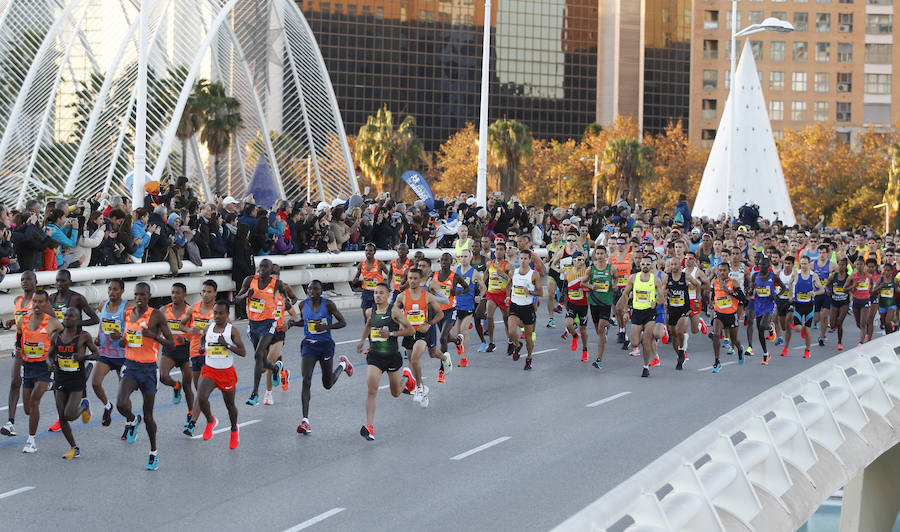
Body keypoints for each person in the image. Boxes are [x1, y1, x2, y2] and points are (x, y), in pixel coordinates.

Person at [116, 282, 176, 471]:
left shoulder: (156, 315)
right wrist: (122, 340)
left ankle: (153, 453)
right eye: (136, 294)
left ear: (149, 296)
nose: (139, 298)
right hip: (131, 366)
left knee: (149, 415)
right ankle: (133, 420)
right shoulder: (128, 313)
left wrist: (153, 336)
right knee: (121, 403)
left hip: (149, 369)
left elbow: (171, 343)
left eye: (143, 295)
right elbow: (127, 338)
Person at [183, 301, 246, 449]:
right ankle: (210, 420)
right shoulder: (208, 327)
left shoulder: (232, 331)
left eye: (221, 313)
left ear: (227, 314)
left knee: (230, 406)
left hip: (226, 372)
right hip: (210, 369)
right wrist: (201, 347)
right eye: (215, 313)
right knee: (202, 397)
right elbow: (204, 339)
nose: (217, 316)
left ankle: (234, 429)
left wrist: (227, 345)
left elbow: (243, 352)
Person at [357, 282, 416, 441]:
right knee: (372, 389)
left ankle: (406, 378)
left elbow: (410, 330)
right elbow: (369, 325)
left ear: (388, 295)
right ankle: (369, 426)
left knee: (396, 393)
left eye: (381, 293)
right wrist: (362, 340)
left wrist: (391, 334)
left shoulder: (394, 312)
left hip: (391, 356)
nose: (377, 295)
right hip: (375, 356)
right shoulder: (370, 311)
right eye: (376, 292)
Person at [292, 280, 352, 434]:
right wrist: (292, 323)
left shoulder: (328, 305)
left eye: (316, 289)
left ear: (321, 291)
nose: (312, 291)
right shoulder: (302, 305)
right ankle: (305, 420)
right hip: (309, 346)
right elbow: (304, 322)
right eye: (310, 289)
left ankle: (343, 365)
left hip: (325, 346)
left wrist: (327, 327)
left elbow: (343, 322)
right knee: (306, 379)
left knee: (328, 384)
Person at [235, 258, 295, 405]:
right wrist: (245, 296)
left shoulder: (278, 284)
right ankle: (275, 369)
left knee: (258, 355)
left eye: (266, 267)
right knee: (261, 363)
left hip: (270, 324)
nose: (262, 269)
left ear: (271, 270)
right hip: (254, 325)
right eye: (261, 266)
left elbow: (289, 298)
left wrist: (288, 302)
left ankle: (255, 394)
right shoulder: (249, 280)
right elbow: (237, 299)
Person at [49, 307, 99, 459]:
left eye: (71, 316)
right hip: (60, 379)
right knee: (62, 417)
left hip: (77, 380)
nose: (67, 318)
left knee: (70, 415)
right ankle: (73, 447)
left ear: (77, 319)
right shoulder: (56, 336)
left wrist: (83, 358)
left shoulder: (84, 336)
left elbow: (96, 354)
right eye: (65, 316)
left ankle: (84, 406)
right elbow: (49, 356)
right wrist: (50, 363)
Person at [18, 290, 63, 453]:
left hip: (43, 367)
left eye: (40, 302)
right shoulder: (23, 320)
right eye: (34, 302)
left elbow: (65, 338)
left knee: (35, 401)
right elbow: (19, 337)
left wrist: (55, 356)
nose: (36, 305)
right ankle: (50, 386)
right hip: (27, 366)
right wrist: (18, 349)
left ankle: (31, 440)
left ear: (46, 304)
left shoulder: (52, 322)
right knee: (27, 409)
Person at [393, 268, 444, 407]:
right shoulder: (402, 296)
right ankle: (423, 391)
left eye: (416, 278)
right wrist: (400, 323)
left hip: (422, 333)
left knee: (415, 360)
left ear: (420, 280)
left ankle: (420, 387)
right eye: (410, 278)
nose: (413, 281)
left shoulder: (427, 295)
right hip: (409, 333)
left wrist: (429, 324)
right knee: (412, 362)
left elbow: (440, 314)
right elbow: (394, 313)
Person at [617, 256, 665, 377]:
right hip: (637, 312)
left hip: (649, 312)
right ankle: (642, 336)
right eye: (643, 263)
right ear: (640, 265)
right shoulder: (633, 278)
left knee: (646, 341)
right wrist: (626, 311)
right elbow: (625, 294)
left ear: (651, 265)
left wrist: (657, 301)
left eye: (647, 264)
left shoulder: (655, 280)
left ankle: (645, 366)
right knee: (634, 343)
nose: (645, 266)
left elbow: (662, 298)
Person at [1, 270, 36, 437]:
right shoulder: (18, 300)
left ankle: (52, 383)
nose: (24, 282)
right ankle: (11, 422)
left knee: (36, 385)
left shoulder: (40, 301)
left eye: (28, 279)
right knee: (16, 381)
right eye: (22, 279)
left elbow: (51, 320)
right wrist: (12, 322)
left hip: (37, 348)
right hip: (20, 347)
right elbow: (20, 319)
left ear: (36, 282)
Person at [92, 279, 128, 431]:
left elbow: (132, 330)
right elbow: (102, 324)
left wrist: (121, 337)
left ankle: (130, 421)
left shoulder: (126, 308)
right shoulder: (103, 305)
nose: (112, 292)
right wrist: (98, 337)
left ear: (122, 291)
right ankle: (107, 405)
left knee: (123, 395)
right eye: (110, 289)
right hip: (106, 353)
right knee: (95, 383)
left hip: (122, 355)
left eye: (115, 289)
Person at [157, 283, 194, 424]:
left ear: (185, 295)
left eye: (178, 293)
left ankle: (190, 414)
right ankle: (175, 385)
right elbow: (157, 330)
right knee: (163, 376)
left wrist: (185, 339)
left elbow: (195, 333)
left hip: (186, 351)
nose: (174, 295)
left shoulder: (190, 311)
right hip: (170, 350)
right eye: (173, 292)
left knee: (188, 386)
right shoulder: (164, 310)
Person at [181, 279, 218, 413]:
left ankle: (192, 421)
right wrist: (190, 331)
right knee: (199, 390)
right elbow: (181, 325)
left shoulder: (218, 310)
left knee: (202, 390)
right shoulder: (193, 308)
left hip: (210, 354)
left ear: (215, 293)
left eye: (209, 292)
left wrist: (212, 330)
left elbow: (229, 329)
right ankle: (210, 418)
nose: (205, 294)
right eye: (203, 291)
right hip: (195, 352)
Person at [431, 252, 468, 381]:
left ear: (451, 262)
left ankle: (442, 369)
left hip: (450, 310)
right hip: (438, 311)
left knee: (442, 338)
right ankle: (457, 341)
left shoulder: (455, 276)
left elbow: (467, 288)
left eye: (447, 260)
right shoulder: (434, 275)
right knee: (446, 338)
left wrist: (457, 292)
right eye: (442, 260)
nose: (444, 262)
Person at [263, 264, 295, 405]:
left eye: (276, 273)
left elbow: (293, 304)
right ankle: (283, 372)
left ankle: (268, 394)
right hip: (263, 331)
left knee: (268, 362)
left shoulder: (284, 287)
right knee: (274, 360)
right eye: (271, 273)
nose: (274, 275)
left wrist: (287, 321)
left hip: (278, 332)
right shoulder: (261, 290)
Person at [709, 262, 749, 373]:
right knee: (716, 334)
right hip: (719, 313)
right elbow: (713, 295)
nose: (722, 272)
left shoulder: (733, 282)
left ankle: (740, 349)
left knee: (734, 339)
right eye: (720, 270)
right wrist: (711, 303)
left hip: (731, 314)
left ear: (728, 271)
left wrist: (729, 291)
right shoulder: (715, 282)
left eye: (724, 270)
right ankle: (717, 361)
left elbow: (742, 298)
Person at [507, 249, 543, 370]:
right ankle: (518, 345)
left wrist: (530, 292)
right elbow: (508, 285)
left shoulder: (534, 275)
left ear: (529, 260)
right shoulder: (513, 272)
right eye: (521, 258)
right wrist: (507, 297)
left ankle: (529, 357)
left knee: (528, 338)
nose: (522, 261)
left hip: (527, 308)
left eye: (525, 259)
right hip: (515, 306)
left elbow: (541, 292)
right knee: (511, 332)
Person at [783, 255, 825, 359]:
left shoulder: (813, 275)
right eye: (801, 263)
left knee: (808, 330)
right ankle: (801, 328)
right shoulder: (796, 273)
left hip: (809, 306)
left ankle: (807, 350)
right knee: (798, 328)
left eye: (805, 263)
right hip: (798, 305)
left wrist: (815, 293)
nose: (803, 266)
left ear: (809, 264)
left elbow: (822, 289)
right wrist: (791, 295)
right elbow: (790, 283)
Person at [450, 248, 484, 368]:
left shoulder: (474, 273)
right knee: (454, 335)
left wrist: (480, 296)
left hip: (468, 306)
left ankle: (464, 359)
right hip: (456, 306)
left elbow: (483, 288)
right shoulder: (455, 270)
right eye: (461, 257)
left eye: (465, 256)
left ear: (470, 258)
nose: (463, 259)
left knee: (464, 331)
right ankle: (460, 342)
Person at [748, 256, 785, 365]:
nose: (761, 266)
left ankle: (771, 327)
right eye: (759, 264)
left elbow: (784, 288)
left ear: (768, 266)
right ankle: (765, 353)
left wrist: (776, 296)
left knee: (764, 325)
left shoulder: (773, 277)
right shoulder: (755, 276)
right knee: (759, 330)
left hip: (769, 304)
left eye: (763, 264)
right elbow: (751, 290)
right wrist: (750, 290)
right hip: (758, 304)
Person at [582, 246, 614, 369]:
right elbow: (583, 283)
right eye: (598, 253)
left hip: (606, 303)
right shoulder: (591, 269)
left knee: (600, 330)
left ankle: (599, 360)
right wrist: (591, 286)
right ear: (595, 255)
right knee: (598, 331)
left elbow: (616, 282)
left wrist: (614, 285)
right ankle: (606, 328)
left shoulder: (611, 269)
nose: (600, 256)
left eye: (602, 253)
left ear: (606, 255)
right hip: (594, 303)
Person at [483, 241, 512, 352]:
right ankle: (491, 343)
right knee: (489, 317)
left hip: (503, 295)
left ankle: (510, 341)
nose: (498, 251)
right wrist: (481, 284)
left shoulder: (507, 265)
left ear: (504, 252)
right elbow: (486, 273)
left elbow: (511, 280)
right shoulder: (490, 263)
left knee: (506, 319)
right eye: (497, 249)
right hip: (491, 294)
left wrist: (503, 275)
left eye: (501, 249)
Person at [562, 251, 590, 361]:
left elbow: (589, 285)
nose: (581, 262)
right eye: (579, 260)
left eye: (583, 260)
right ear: (573, 260)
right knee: (568, 324)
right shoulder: (567, 273)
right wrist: (563, 302)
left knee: (583, 330)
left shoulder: (586, 272)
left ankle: (585, 350)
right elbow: (564, 288)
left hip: (583, 304)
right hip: (572, 303)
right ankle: (574, 336)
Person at [353, 242, 390, 321]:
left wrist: (388, 286)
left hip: (378, 293)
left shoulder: (379, 263)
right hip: (366, 292)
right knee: (366, 314)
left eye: (370, 250)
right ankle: (368, 332)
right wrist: (355, 281)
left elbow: (389, 274)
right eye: (366, 251)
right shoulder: (361, 264)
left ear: (374, 252)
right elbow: (356, 277)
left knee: (376, 314)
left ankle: (378, 331)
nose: (368, 253)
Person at [827, 257, 851, 350]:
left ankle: (839, 343)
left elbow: (852, 288)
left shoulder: (848, 277)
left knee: (840, 322)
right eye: (839, 265)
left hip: (844, 302)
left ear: (845, 266)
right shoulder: (834, 276)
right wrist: (828, 290)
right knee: (833, 325)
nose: (840, 267)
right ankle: (834, 325)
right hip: (834, 301)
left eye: (843, 265)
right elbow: (826, 285)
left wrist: (847, 290)